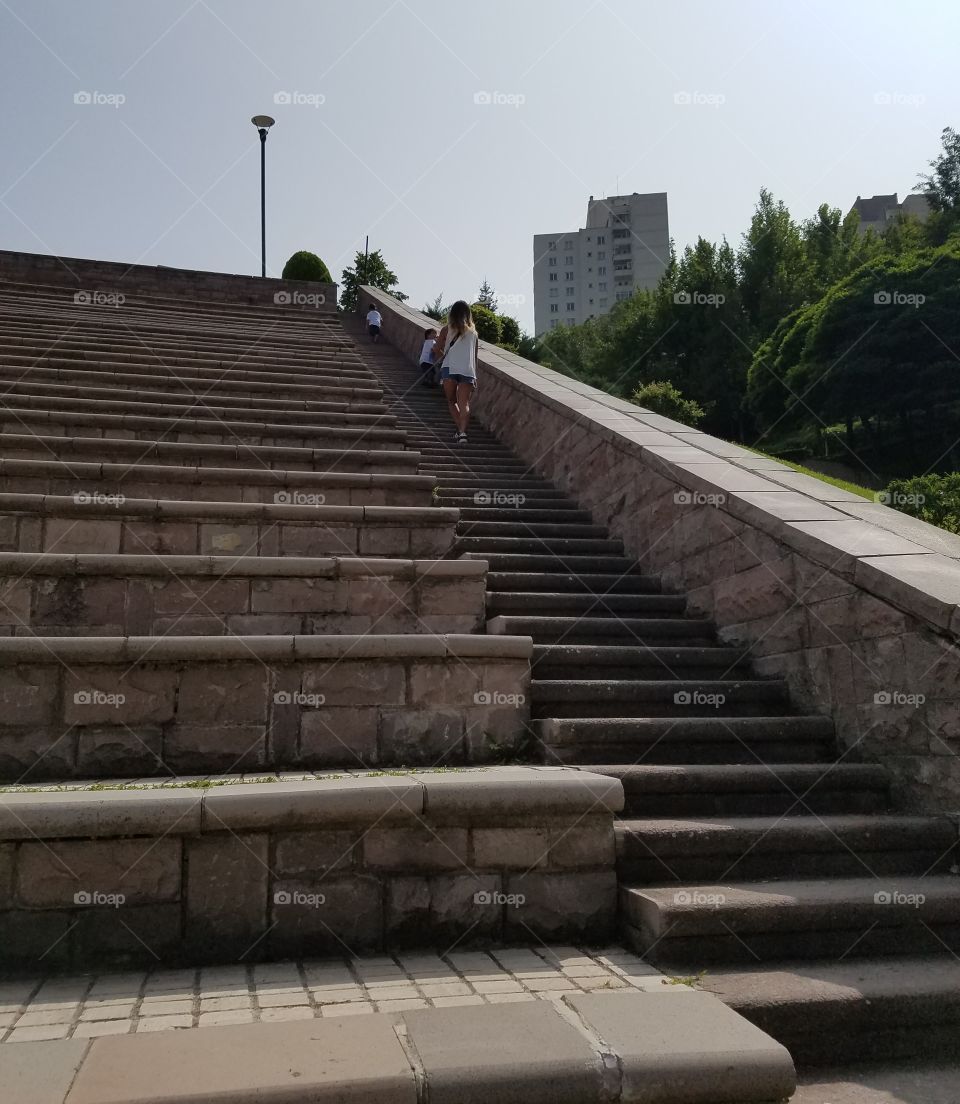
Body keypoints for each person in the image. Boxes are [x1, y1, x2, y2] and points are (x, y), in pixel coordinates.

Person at [433, 300, 478, 444]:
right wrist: (475, 376)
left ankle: (461, 431)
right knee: (464, 403)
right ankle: (462, 433)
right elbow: (474, 357)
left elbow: (437, 349)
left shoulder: (446, 329)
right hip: (468, 370)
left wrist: (442, 357)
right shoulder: (474, 333)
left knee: (452, 401)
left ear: (452, 313)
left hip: (449, 368)